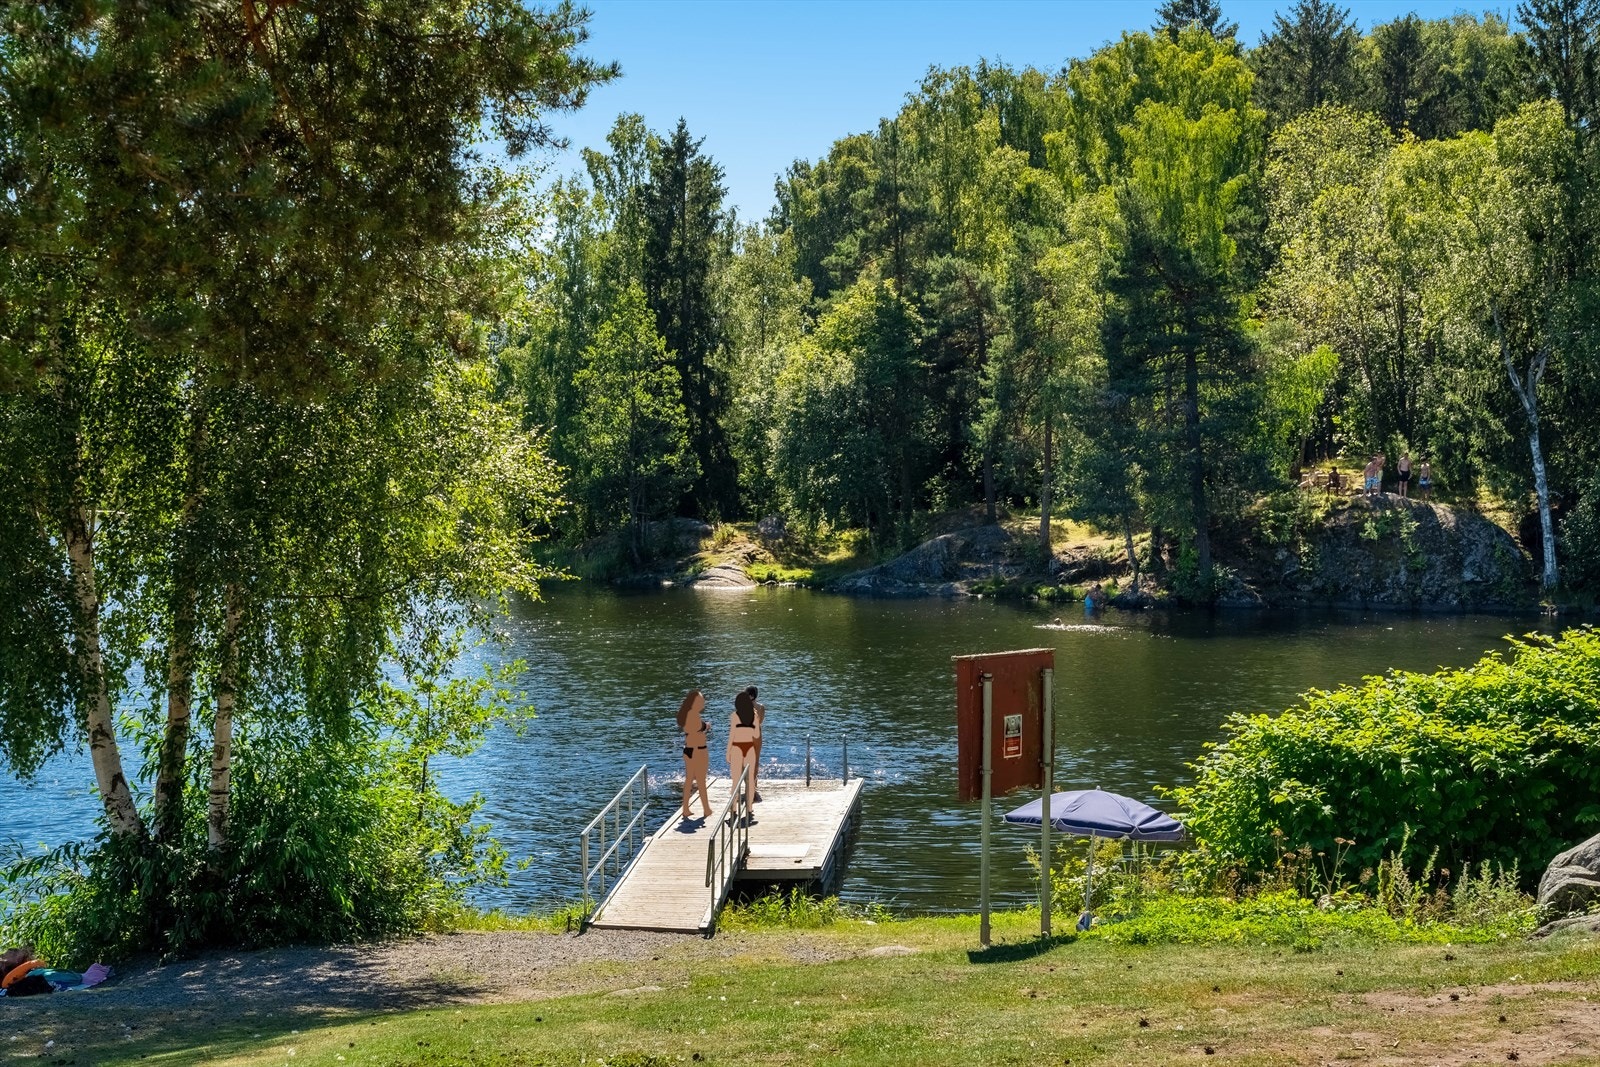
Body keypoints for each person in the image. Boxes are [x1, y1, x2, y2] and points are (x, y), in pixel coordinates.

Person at [677, 690, 713, 822]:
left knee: (689, 780)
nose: (703, 703)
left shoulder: (686, 715)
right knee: (701, 780)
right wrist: (706, 726)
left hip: (688, 750)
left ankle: (685, 808)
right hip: (698, 751)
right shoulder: (694, 715)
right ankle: (706, 808)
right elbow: (700, 727)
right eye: (701, 701)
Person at [727, 689, 761, 816]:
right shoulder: (755, 715)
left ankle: (733, 808)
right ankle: (749, 807)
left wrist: (728, 752)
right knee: (749, 779)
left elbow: (732, 735)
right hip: (749, 748)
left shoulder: (735, 715)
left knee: (736, 779)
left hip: (736, 748)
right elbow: (756, 734)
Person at [743, 685, 766, 802]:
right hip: (757, 734)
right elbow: (761, 721)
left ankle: (749, 786)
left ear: (750, 696)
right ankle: (753, 787)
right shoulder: (761, 707)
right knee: (756, 761)